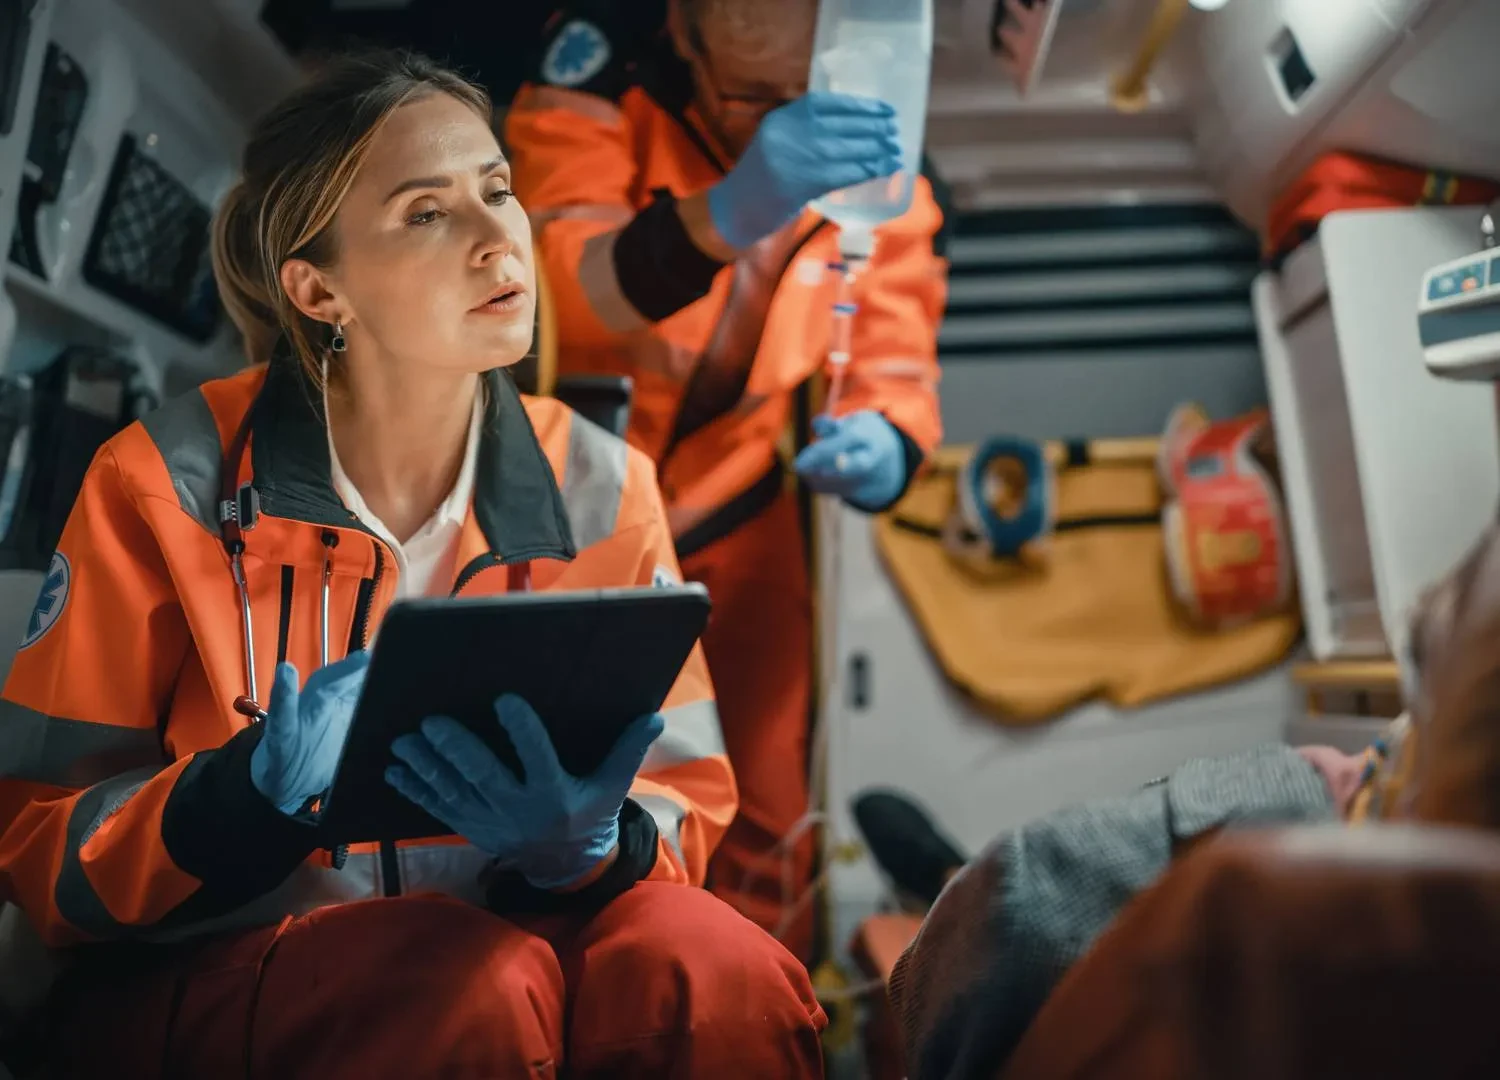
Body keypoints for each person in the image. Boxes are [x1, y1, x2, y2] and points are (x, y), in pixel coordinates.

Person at [0, 51, 825, 1078]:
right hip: (236, 963)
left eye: (498, 191)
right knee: (465, 979)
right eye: (428, 213)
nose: (497, 241)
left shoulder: (604, 484)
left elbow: (682, 806)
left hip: (520, 932)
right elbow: (43, 855)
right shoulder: (162, 481)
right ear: (318, 288)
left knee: (718, 969)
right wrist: (241, 796)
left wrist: (588, 845)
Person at [505, 0, 948, 962]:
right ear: (684, 33)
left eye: (805, 93)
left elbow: (898, 360)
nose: (779, 118)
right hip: (575, 505)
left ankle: (759, 1010)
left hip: (742, 509)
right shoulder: (593, 83)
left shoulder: (887, 158)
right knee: (545, 784)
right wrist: (729, 211)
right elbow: (554, 303)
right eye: (751, 95)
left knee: (766, 806)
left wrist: (883, 444)